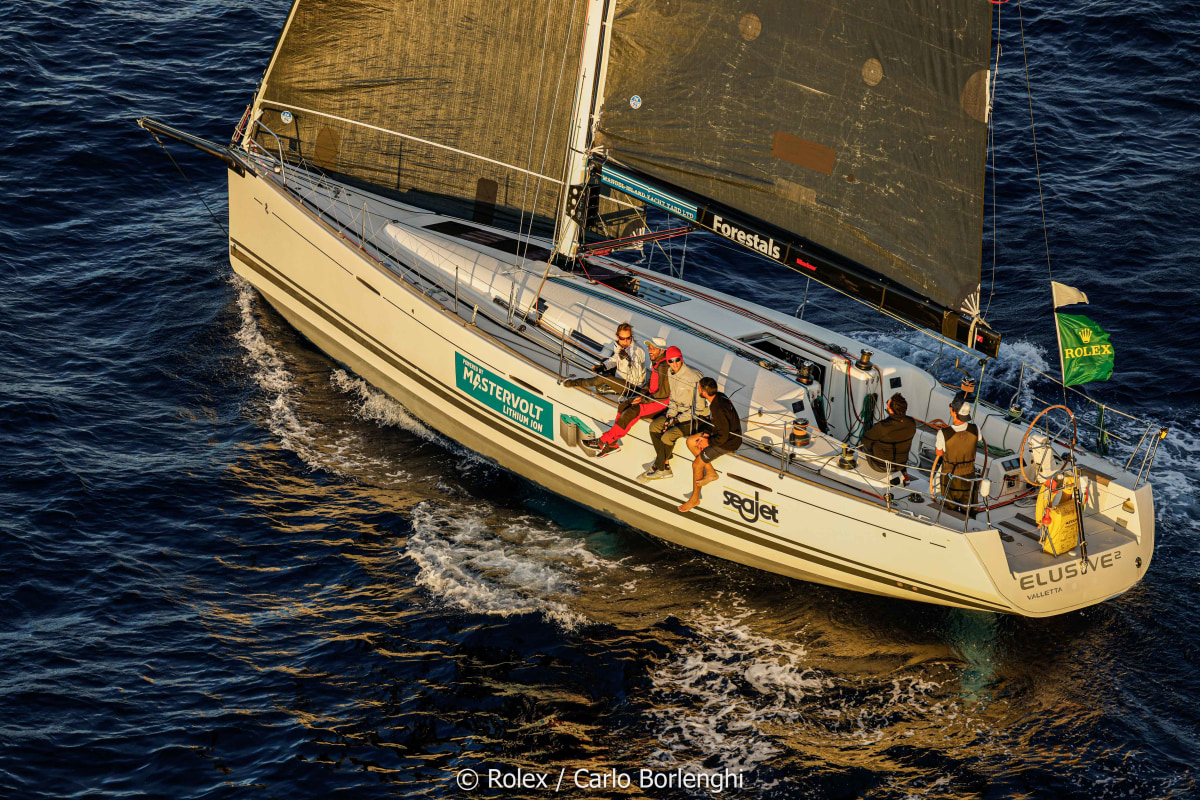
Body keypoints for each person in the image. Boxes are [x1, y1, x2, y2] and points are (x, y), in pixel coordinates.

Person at [582, 338, 671, 457]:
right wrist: (641, 395)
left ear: (661, 351)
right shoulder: (658, 363)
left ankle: (603, 441)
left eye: (653, 349)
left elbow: (663, 394)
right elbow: (651, 383)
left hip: (659, 403)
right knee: (623, 405)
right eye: (649, 347)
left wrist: (643, 399)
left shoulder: (664, 367)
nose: (650, 351)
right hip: (651, 398)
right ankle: (612, 443)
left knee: (631, 413)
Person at [678, 378, 742, 512]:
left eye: (699, 388)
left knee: (696, 464)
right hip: (721, 435)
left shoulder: (717, 408)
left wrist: (708, 441)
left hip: (728, 442)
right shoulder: (718, 398)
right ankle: (711, 472)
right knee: (691, 441)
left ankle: (695, 499)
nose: (698, 389)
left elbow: (723, 436)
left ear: (704, 392)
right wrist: (706, 434)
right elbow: (717, 425)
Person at [644, 349, 708, 478]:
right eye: (671, 361)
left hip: (695, 418)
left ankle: (660, 466)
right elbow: (672, 398)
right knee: (654, 426)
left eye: (677, 359)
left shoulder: (694, 376)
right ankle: (665, 462)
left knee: (667, 437)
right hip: (678, 414)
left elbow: (699, 408)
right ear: (668, 362)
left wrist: (677, 420)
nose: (675, 363)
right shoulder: (670, 372)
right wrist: (670, 415)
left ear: (681, 358)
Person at [564, 322, 646, 395]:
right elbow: (614, 359)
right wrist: (603, 366)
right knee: (604, 363)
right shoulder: (621, 346)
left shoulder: (636, 351)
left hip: (632, 387)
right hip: (622, 376)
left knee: (603, 378)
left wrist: (626, 358)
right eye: (622, 338)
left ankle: (577, 382)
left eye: (628, 338)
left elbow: (636, 376)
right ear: (617, 337)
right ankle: (610, 384)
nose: (625, 341)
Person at [931, 393, 979, 514]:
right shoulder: (976, 428)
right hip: (969, 475)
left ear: (954, 412)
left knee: (949, 509)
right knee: (968, 507)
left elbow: (939, 453)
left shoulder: (943, 433)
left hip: (950, 476)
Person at [860, 393, 916, 479]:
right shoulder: (911, 423)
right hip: (900, 465)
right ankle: (904, 472)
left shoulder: (882, 427)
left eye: (887, 404)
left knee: (867, 444)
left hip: (880, 466)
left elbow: (864, 440)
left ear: (891, 410)